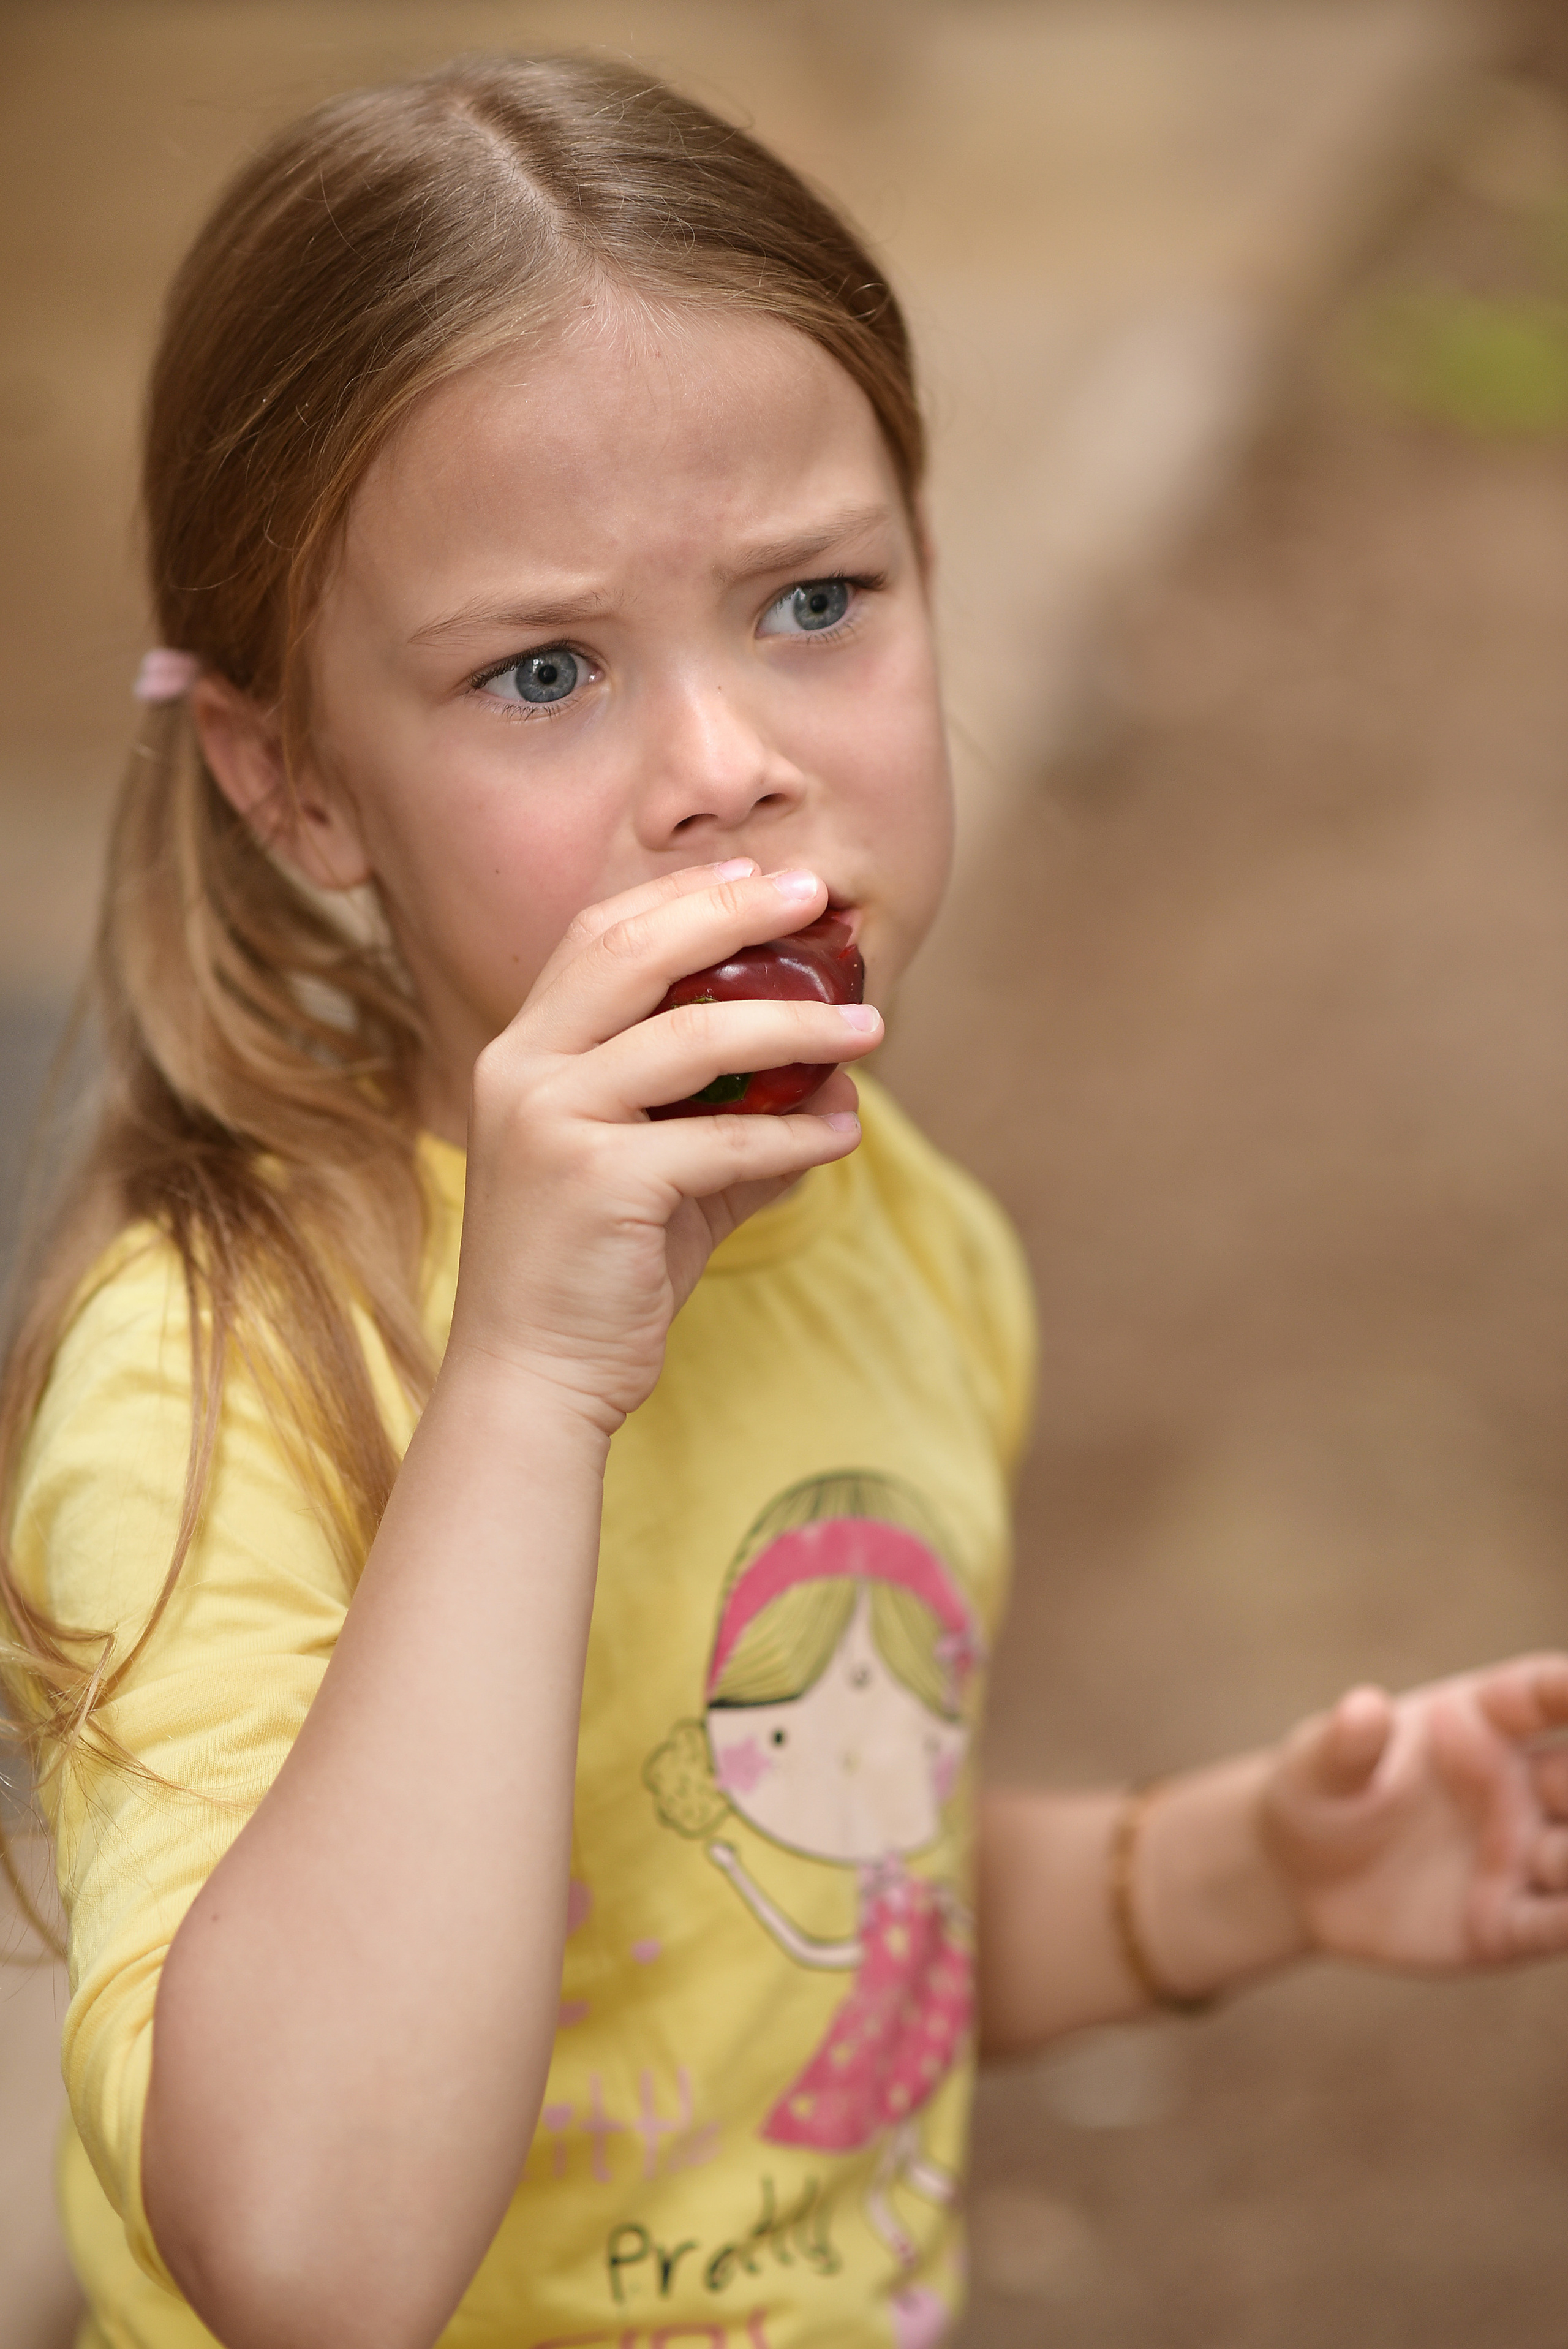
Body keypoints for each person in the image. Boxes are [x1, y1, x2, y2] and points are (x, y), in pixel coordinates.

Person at [2, 54, 1567, 2349]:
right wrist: (533, 1377)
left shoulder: (908, 1240)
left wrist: (1236, 1871)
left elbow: (813, 1910)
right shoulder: (224, 1368)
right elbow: (311, 2255)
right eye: (544, 669)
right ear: (297, 779)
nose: (729, 760)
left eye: (816, 601)